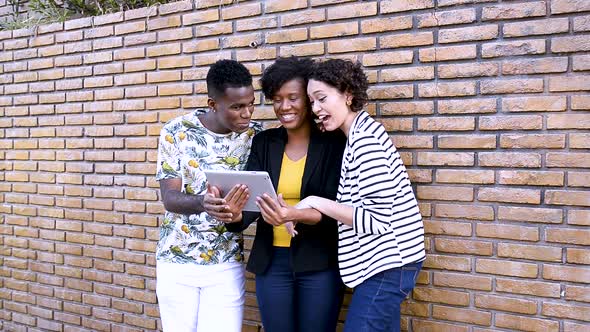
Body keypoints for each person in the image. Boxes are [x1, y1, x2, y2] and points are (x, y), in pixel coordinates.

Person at [299, 58, 426, 332]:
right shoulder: (358, 135)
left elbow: (376, 220)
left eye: (321, 98)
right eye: (311, 102)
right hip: (386, 265)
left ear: (347, 94)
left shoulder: (365, 142)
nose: (316, 109)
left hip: (389, 266)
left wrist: (313, 201)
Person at [226, 56, 346, 332]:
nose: (284, 106)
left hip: (319, 262)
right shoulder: (265, 142)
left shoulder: (333, 143)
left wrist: (294, 214)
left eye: (293, 97)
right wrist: (234, 215)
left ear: (308, 99)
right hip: (272, 264)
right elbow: (252, 200)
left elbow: (338, 209)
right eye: (277, 99)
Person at [154, 59, 262, 332]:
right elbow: (170, 198)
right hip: (176, 262)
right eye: (237, 107)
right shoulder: (176, 132)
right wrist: (203, 202)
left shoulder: (256, 136)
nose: (246, 113)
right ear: (213, 104)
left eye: (251, 104)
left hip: (226, 263)